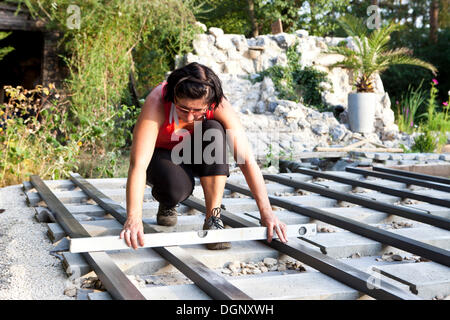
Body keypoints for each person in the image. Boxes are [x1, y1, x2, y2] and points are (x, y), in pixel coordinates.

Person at [120, 62, 288, 250]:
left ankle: (213, 218)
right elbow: (138, 165)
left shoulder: (219, 104)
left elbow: (246, 159)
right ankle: (167, 201)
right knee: (176, 189)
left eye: (198, 111)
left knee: (213, 130)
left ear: (210, 103)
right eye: (183, 109)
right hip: (161, 156)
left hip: (197, 153)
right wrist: (134, 219)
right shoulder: (157, 102)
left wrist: (266, 212)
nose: (190, 117)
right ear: (173, 97)